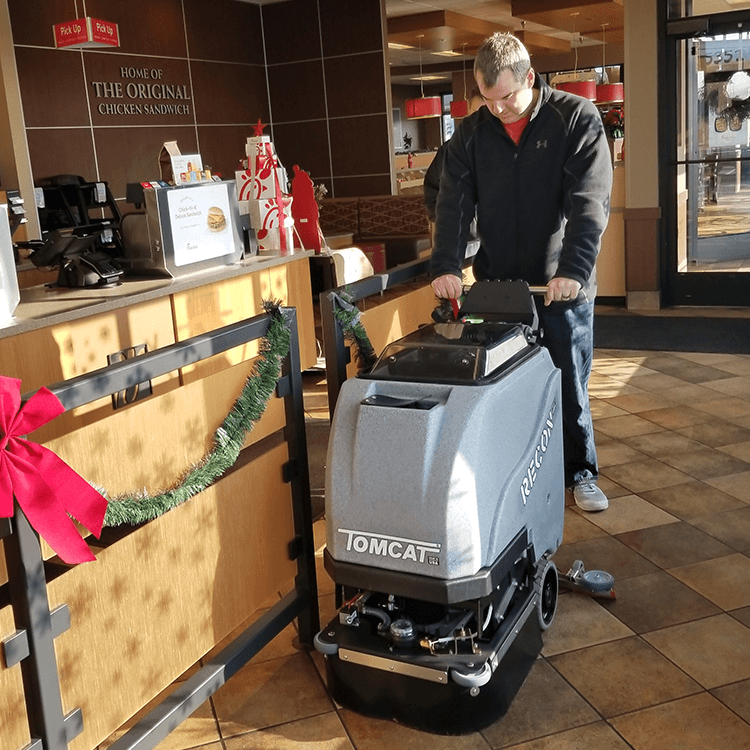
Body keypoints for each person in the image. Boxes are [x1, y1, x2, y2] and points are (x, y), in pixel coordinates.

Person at [430, 32, 613, 512]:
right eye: (487, 99)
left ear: (530, 77)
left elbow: (589, 204)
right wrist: (447, 265)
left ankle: (580, 474)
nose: (498, 109)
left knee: (566, 382)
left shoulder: (575, 118)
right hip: (498, 288)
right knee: (501, 384)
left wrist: (572, 269)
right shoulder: (470, 134)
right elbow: (452, 205)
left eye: (507, 97)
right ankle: (511, 475)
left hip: (559, 285)